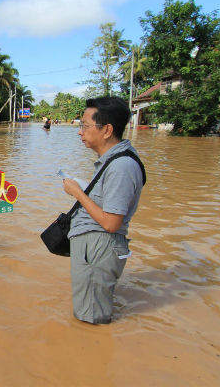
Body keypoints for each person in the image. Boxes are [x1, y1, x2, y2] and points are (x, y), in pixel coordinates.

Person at [62, 96, 145, 324]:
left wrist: (78, 193)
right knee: (90, 310)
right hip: (94, 247)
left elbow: (111, 223)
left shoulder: (121, 166)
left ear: (107, 130)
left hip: (99, 247)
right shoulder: (114, 160)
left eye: (85, 126)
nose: (80, 132)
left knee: (90, 320)